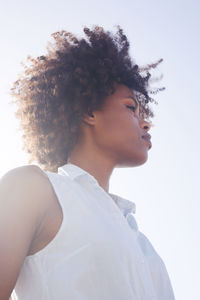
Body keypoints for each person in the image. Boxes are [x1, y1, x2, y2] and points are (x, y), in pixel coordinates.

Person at [0, 25, 175, 300]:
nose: (145, 122)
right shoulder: (34, 189)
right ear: (89, 112)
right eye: (131, 107)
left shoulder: (141, 241)